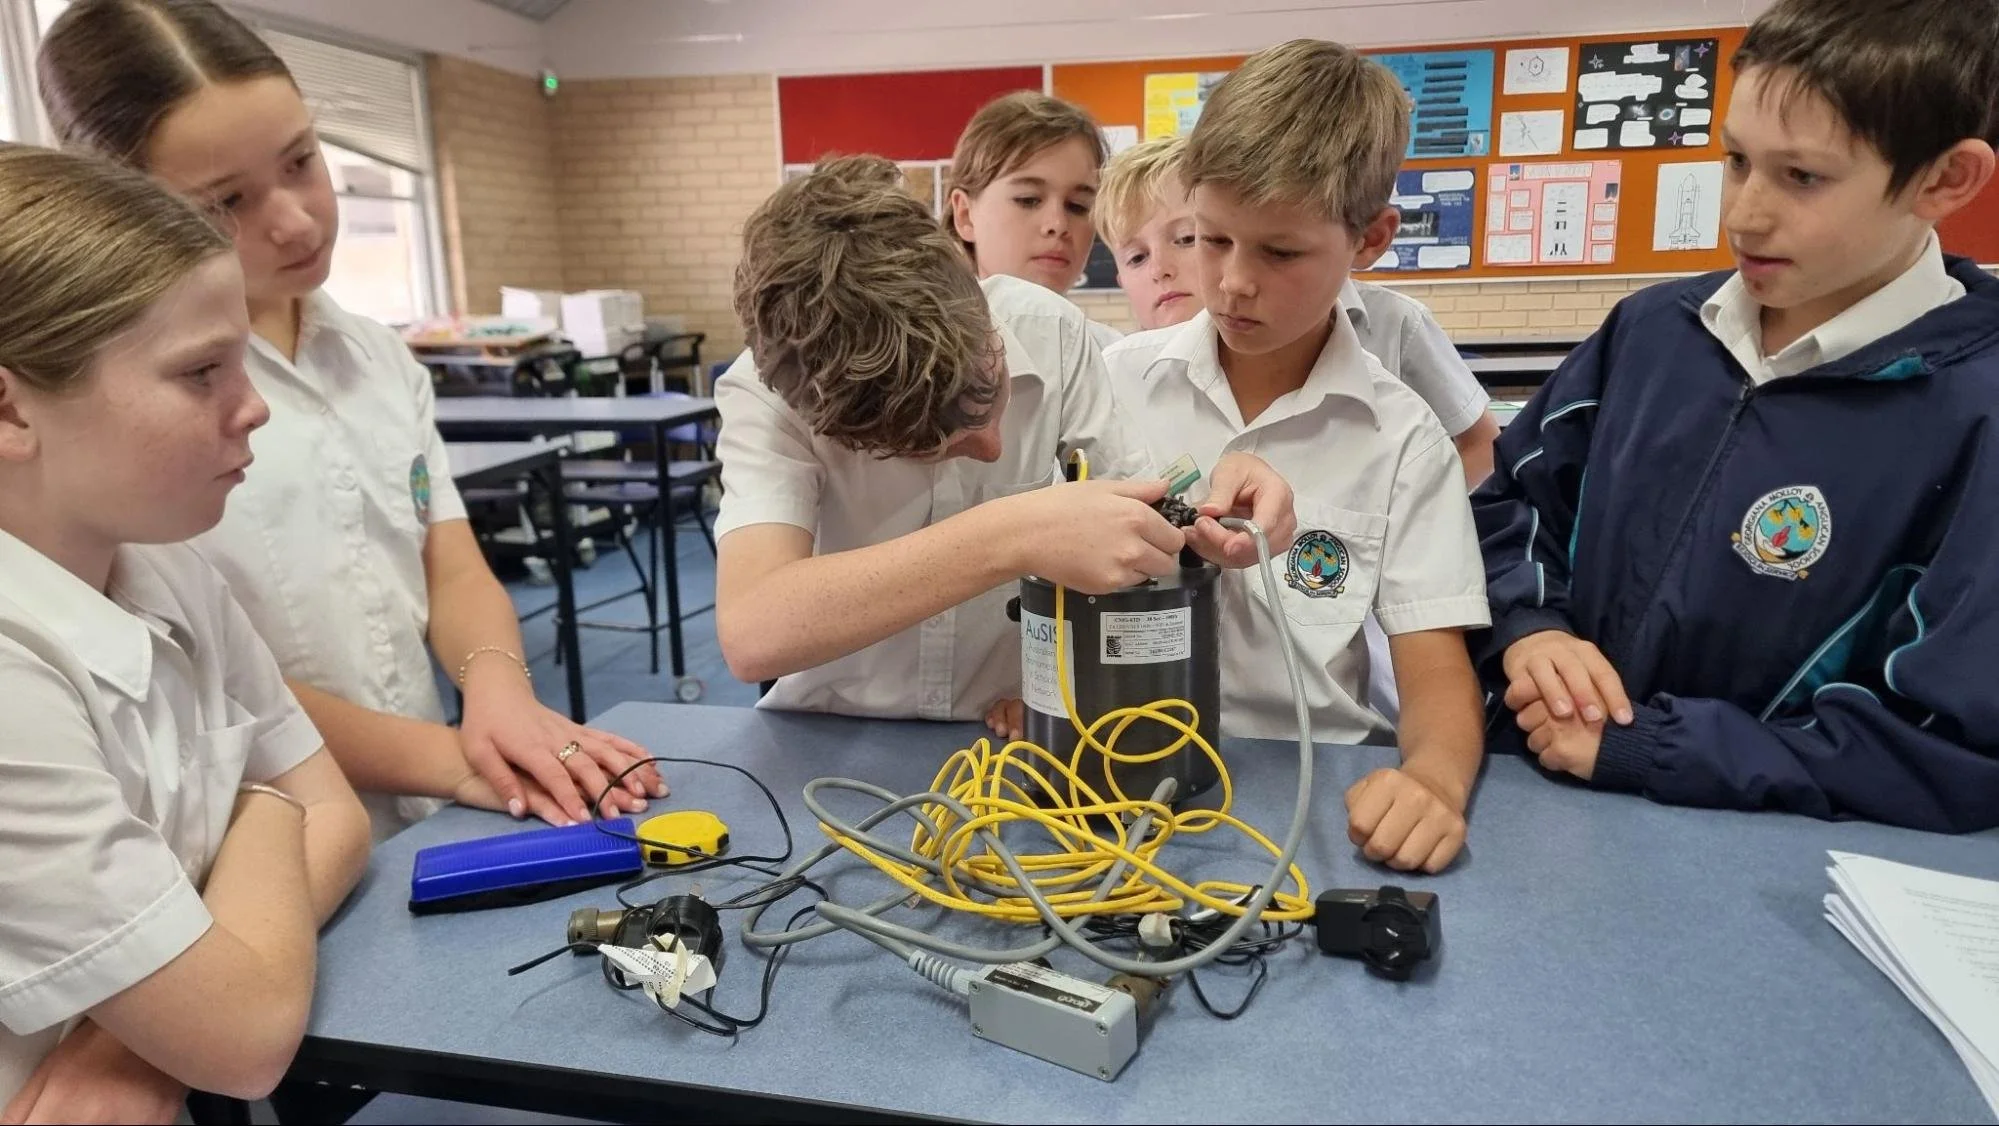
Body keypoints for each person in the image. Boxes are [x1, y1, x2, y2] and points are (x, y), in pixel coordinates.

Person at [38, 0, 663, 837]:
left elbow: (449, 564)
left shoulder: (372, 354)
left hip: (424, 799)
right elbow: (204, 673)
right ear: (128, 210)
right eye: (223, 202)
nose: (294, 218)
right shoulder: (124, 419)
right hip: (260, 833)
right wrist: (457, 757)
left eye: (301, 160)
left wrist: (499, 694)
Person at [1472, 0, 1999, 831]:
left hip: (1775, 874)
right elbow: (1509, 509)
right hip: (1538, 810)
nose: (1743, 215)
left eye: (1802, 177)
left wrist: (1652, 746)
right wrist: (1531, 628)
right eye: (1734, 160)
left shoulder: (1978, 413)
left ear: (1945, 179)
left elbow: (1956, 747)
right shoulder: (1649, 334)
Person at [0, 143, 371, 1122]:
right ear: (9, 406)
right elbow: (244, 1033)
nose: (251, 408)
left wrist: (134, 1046)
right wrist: (266, 810)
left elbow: (342, 816)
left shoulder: (164, 562)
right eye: (202, 371)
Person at [715, 154, 1294, 722]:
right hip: (831, 728)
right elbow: (752, 633)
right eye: (930, 446)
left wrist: (1212, 513)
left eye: (991, 390)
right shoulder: (771, 393)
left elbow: (1149, 533)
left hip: (1014, 730)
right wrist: (1013, 534)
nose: (992, 446)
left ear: (973, 296)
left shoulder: (1050, 332)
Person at [1101, 40, 1490, 873]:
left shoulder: (1402, 439)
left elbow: (1435, 673)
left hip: (1316, 793)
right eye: (1208, 239)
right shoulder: (1114, 385)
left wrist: (1430, 780)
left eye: (1278, 253)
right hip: (1119, 780)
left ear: (1371, 240)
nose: (1231, 282)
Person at [945, 90, 1125, 348]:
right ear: (965, 216)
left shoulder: (1114, 358)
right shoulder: (916, 356)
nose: (1058, 224)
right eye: (1028, 200)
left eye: (1077, 206)